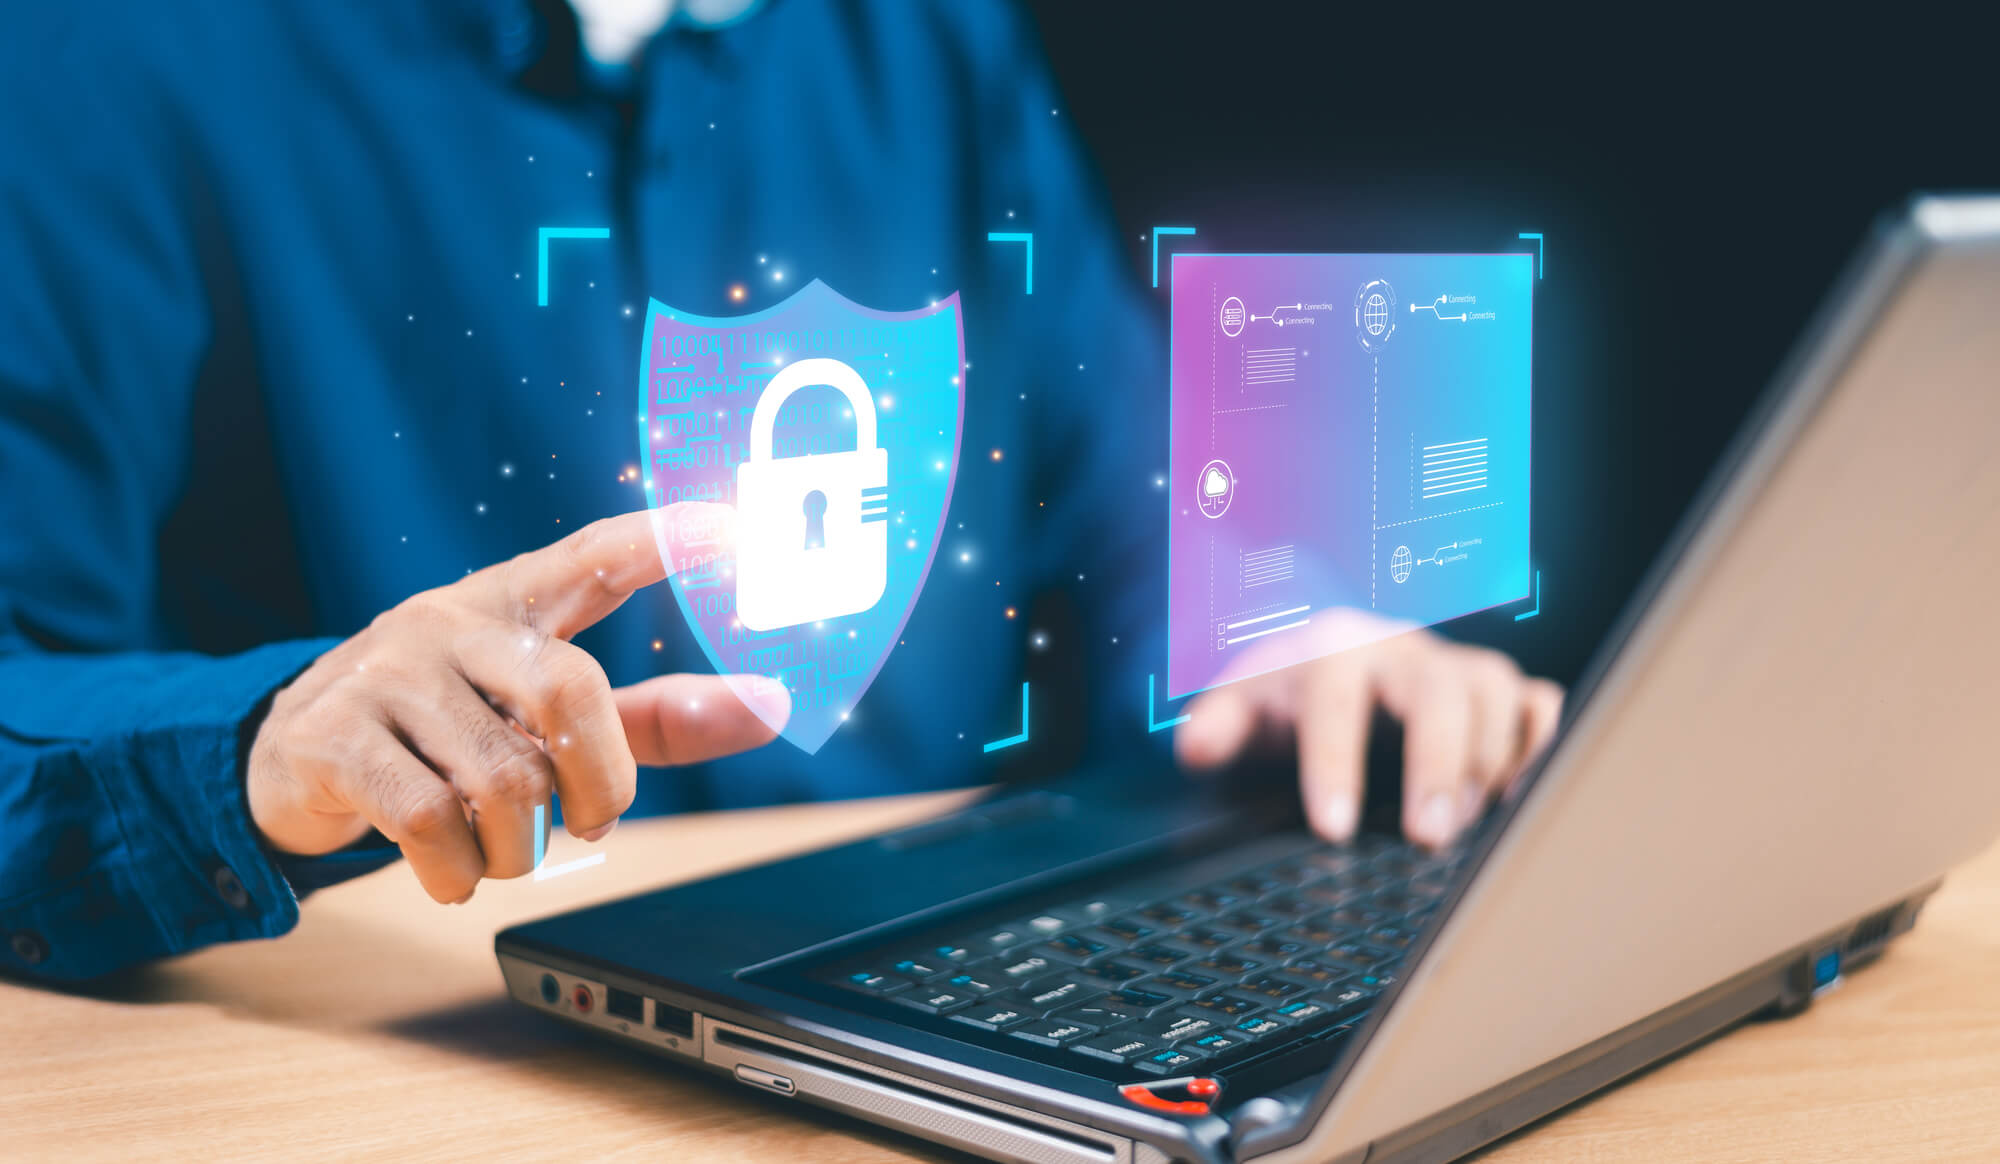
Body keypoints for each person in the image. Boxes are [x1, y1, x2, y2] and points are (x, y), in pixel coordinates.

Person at [0, 0, 1560, 982]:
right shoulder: (104, 59)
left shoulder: (933, 38)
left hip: (946, 995)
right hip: (410, 1049)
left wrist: (1289, 632)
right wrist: (276, 747)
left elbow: (1128, 480)